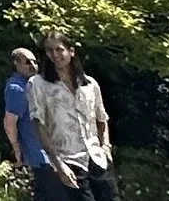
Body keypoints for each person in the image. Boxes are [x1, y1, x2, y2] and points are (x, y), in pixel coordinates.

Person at [32, 30, 115, 201]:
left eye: (59, 49)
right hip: (68, 160)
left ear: (71, 51)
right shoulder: (38, 84)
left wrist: (106, 146)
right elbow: (39, 124)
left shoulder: (90, 84)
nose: (55, 55)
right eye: (49, 50)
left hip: (97, 157)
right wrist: (58, 164)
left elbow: (101, 117)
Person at [3, 47, 45, 190]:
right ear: (16, 63)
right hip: (37, 155)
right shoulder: (16, 88)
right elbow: (10, 123)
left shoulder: (33, 85)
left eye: (35, 62)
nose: (33, 66)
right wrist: (16, 149)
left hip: (50, 152)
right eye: (27, 62)